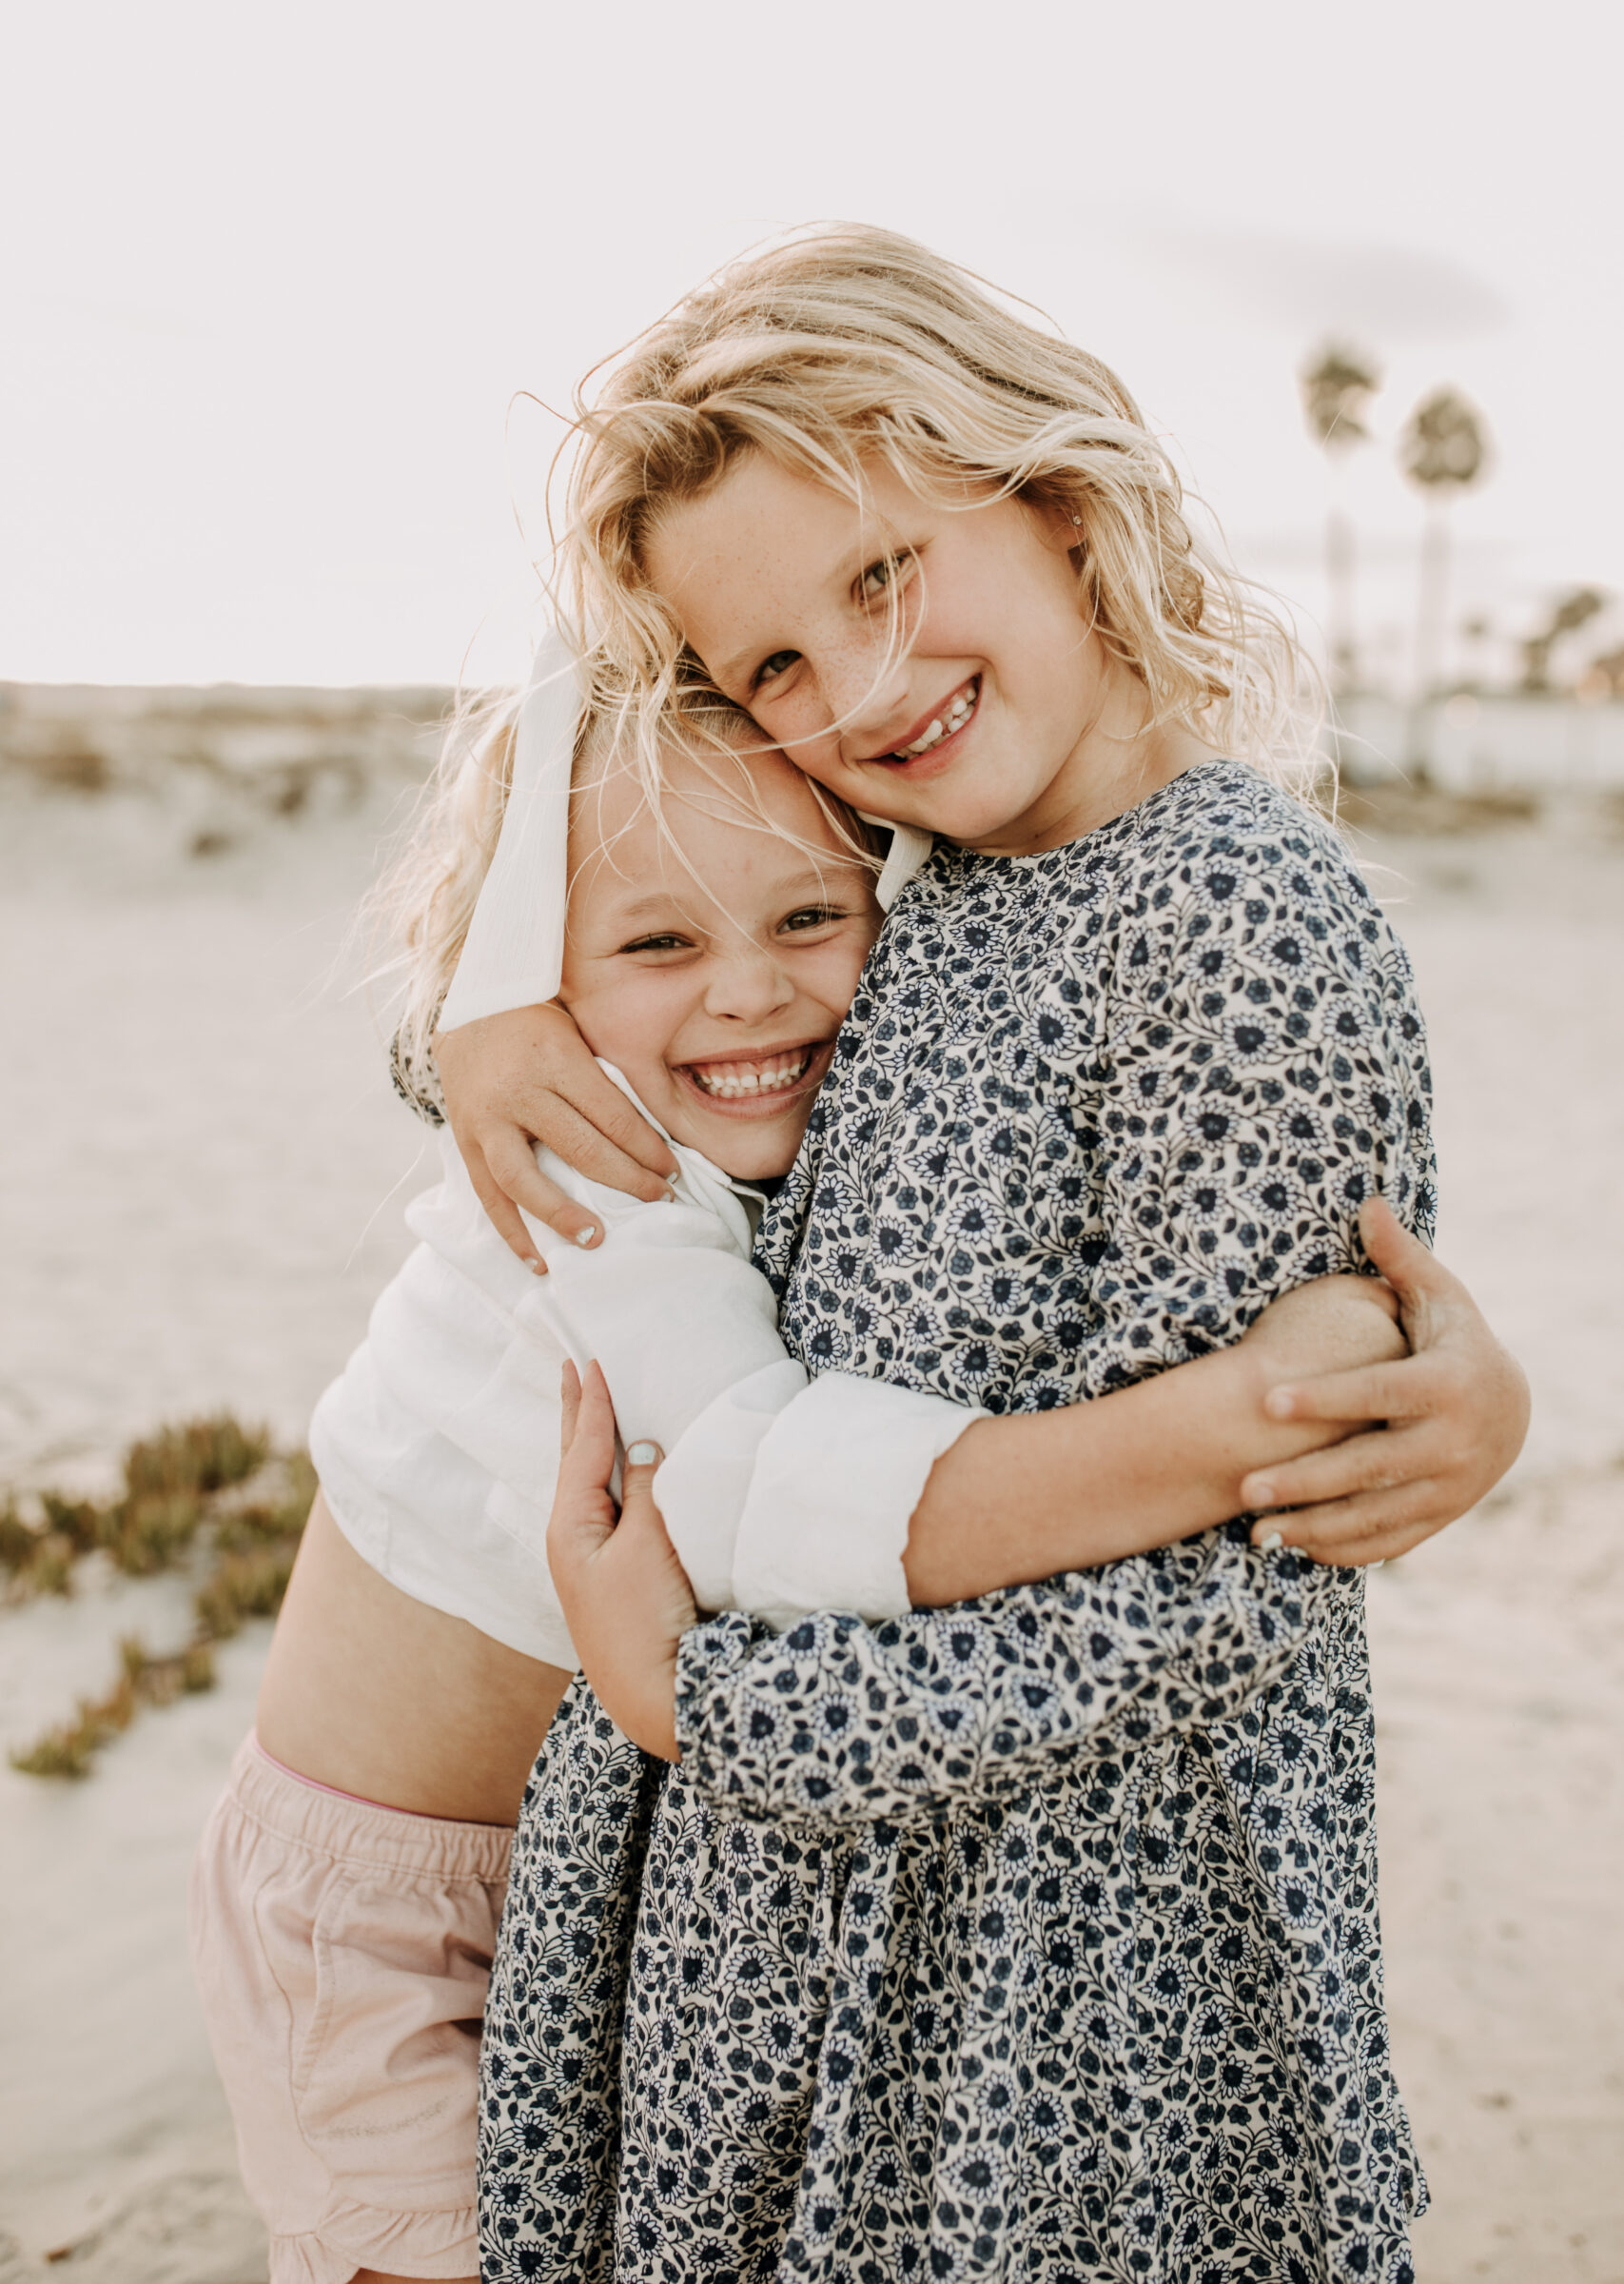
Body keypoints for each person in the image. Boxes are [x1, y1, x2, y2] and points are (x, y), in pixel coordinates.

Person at [460, 227, 1533, 2283]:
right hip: (796, 1943)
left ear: (1051, 493)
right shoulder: (906, 871)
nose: (854, 688)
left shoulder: (1235, 914)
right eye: (774, 662)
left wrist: (707, 1703)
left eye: (882, 572)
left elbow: (1229, 1573)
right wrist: (477, 1017)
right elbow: (665, 1001)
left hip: (1059, 1998)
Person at [190, 659, 1420, 2284]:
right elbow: (749, 1491)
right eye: (656, 945)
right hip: (370, 1915)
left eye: (808, 922)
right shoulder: (588, 1165)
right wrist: (1198, 1438)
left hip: (563, 1882)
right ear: (531, 980)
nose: (752, 995)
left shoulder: (766, 1125)